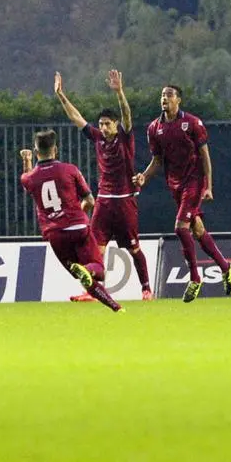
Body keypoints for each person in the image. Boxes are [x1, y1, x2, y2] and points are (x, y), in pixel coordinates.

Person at [55, 70, 153, 302]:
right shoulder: (98, 137)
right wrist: (61, 95)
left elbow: (127, 115)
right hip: (103, 202)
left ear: (116, 124)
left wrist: (119, 92)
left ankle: (146, 288)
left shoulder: (124, 137)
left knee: (133, 248)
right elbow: (76, 118)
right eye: (101, 124)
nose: (104, 127)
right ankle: (93, 291)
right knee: (96, 249)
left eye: (108, 124)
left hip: (125, 200)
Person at [133, 85, 231, 303]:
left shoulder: (192, 123)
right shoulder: (154, 128)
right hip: (175, 184)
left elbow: (205, 156)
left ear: (178, 100)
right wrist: (144, 177)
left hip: (195, 180)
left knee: (180, 228)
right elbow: (157, 161)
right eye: (162, 95)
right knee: (198, 230)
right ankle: (226, 268)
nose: (164, 99)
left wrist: (208, 185)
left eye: (169, 95)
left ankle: (195, 278)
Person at [19, 130, 123, 313]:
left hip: (55, 235)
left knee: (82, 275)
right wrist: (78, 214)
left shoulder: (30, 178)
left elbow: (27, 178)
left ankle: (115, 307)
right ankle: (92, 275)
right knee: (96, 269)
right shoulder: (70, 169)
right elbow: (90, 200)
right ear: (56, 149)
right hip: (77, 227)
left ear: (36, 153)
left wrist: (26, 161)